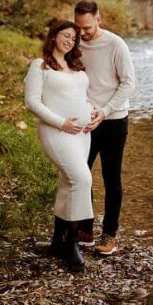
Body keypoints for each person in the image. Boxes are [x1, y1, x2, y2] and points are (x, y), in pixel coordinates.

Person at [24, 19, 95, 272]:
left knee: (68, 183)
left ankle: (57, 242)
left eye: (74, 38)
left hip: (82, 134)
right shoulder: (40, 66)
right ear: (53, 36)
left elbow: (81, 96)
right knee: (82, 179)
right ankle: (72, 243)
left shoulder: (75, 66)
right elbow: (32, 102)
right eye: (65, 35)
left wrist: (92, 112)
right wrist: (61, 123)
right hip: (56, 131)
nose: (69, 41)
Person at [73, 0, 135, 256]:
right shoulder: (74, 43)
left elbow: (129, 83)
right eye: (78, 27)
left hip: (113, 120)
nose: (82, 32)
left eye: (87, 28)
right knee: (81, 175)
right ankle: (85, 230)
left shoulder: (115, 44)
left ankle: (109, 234)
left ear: (99, 20)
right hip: (85, 121)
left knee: (111, 178)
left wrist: (105, 110)